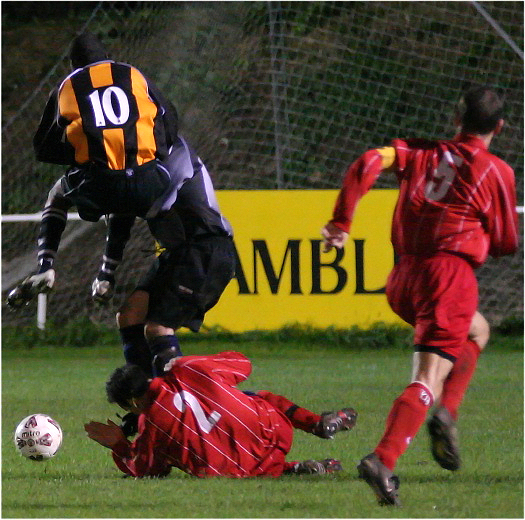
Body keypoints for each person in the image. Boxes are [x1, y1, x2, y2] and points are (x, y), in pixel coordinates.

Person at [321, 86, 518, 506]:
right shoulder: (496, 170)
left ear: (455, 119)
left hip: (403, 277)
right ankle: (383, 459)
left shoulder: (419, 152)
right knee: (426, 378)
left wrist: (342, 222)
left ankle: (448, 413)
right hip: (447, 276)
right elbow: (504, 242)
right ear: (499, 127)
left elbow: (370, 160)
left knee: (477, 332)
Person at [7, 32, 236, 376]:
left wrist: (83, 153)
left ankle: (46, 265)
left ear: (74, 65)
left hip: (203, 247)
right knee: (130, 315)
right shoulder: (138, 90)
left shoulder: (70, 84)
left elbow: (44, 148)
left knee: (58, 194)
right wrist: (107, 271)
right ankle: (146, 406)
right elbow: (168, 119)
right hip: (165, 225)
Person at [84, 351, 358, 478]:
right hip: (275, 430)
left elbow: (145, 469)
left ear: (132, 401)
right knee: (258, 397)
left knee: (213, 460)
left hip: (245, 470)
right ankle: (318, 424)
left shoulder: (150, 426)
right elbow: (243, 364)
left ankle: (294, 469)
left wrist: (118, 443)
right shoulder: (187, 367)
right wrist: (193, 365)